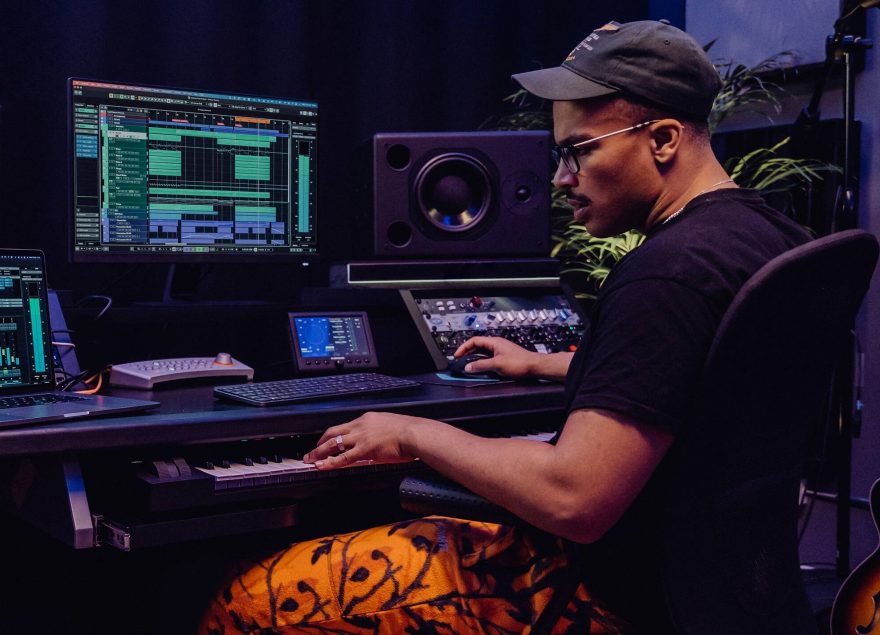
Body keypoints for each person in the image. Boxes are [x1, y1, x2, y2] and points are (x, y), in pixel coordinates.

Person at [200, 20, 816, 634]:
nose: (560, 179)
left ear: (661, 138)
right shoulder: (769, 240)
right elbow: (706, 387)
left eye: (578, 151)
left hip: (595, 595)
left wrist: (413, 432)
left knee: (247, 600)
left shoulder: (666, 274)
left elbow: (573, 500)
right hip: (720, 590)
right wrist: (549, 363)